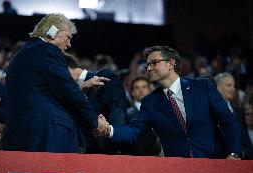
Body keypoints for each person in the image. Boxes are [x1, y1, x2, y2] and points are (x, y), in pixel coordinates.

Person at [97, 46, 242, 159]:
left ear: (171, 64)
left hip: (214, 164)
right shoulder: (150, 102)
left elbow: (228, 121)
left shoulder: (203, 87)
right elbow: (135, 131)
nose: (148, 68)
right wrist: (109, 129)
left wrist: (234, 153)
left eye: (154, 63)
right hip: (179, 171)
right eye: (147, 65)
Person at [3, 14, 101, 153]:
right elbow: (69, 93)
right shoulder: (47, 50)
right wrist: (95, 121)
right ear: (53, 32)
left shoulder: (27, 51)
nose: (69, 45)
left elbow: (40, 89)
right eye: (68, 37)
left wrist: (79, 87)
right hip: (46, 133)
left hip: (25, 133)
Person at [65, 53, 129, 154]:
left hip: (108, 154)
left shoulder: (104, 77)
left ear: (65, 69)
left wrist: (117, 150)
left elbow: (118, 114)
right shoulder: (71, 92)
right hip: (81, 155)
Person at [214, 72, 253, 159]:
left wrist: (237, 155)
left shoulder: (239, 113)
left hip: (237, 167)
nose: (233, 89)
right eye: (229, 85)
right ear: (218, 87)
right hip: (215, 165)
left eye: (234, 86)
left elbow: (248, 146)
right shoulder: (208, 112)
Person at [127, 77, 162, 156]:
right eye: (137, 88)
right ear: (132, 92)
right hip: (136, 157)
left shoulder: (160, 111)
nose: (141, 90)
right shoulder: (127, 114)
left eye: (144, 87)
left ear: (149, 90)